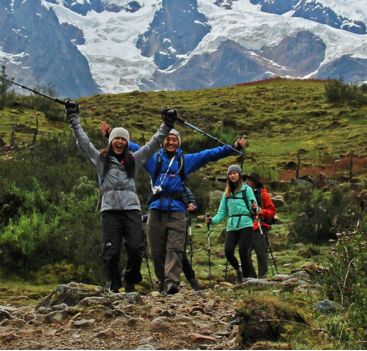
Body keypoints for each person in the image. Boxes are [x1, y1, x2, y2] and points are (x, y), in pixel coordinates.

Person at [101, 121, 246, 294]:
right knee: (156, 251)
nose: (170, 142)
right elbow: (138, 147)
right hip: (155, 210)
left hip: (177, 210)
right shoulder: (153, 159)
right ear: (162, 142)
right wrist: (111, 136)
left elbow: (209, 155)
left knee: (175, 248)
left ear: (179, 143)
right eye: (167, 139)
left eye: (174, 140)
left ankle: (172, 283)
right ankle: (163, 282)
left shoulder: (186, 161)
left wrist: (232, 147)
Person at [66, 100, 176, 293]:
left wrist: (167, 125)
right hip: (109, 211)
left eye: (123, 139)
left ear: (126, 143)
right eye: (117, 139)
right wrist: (73, 117)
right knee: (111, 251)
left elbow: (153, 144)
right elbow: (83, 143)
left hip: (131, 209)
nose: (120, 142)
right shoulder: (100, 159)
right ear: (111, 141)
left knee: (136, 248)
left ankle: (130, 277)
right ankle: (113, 286)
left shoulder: (135, 159)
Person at [206, 165, 258, 284]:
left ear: (239, 175)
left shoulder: (247, 190)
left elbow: (253, 207)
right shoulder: (226, 194)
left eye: (235, 173)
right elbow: (222, 212)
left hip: (246, 223)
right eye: (230, 174)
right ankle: (238, 270)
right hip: (232, 224)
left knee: (243, 251)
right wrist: (212, 220)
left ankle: (245, 277)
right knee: (228, 250)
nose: (232, 175)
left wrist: (255, 208)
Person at [245, 172, 277, 278]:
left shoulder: (263, 194)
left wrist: (261, 211)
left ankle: (263, 277)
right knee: (244, 253)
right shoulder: (242, 194)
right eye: (246, 180)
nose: (246, 182)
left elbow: (272, 211)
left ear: (255, 182)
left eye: (249, 180)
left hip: (261, 227)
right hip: (246, 227)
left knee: (261, 255)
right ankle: (251, 277)